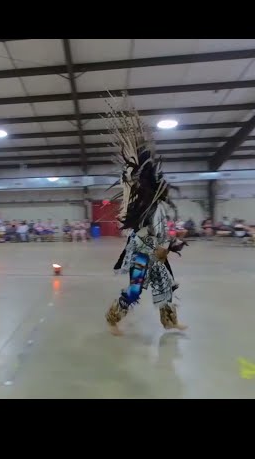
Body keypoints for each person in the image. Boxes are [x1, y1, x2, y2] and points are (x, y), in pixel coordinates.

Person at [103, 96, 188, 336]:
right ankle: (112, 318)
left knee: (165, 286)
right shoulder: (143, 208)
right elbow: (140, 234)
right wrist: (158, 248)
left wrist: (167, 246)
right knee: (134, 290)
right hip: (141, 253)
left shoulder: (159, 208)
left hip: (156, 253)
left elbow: (162, 232)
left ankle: (170, 322)